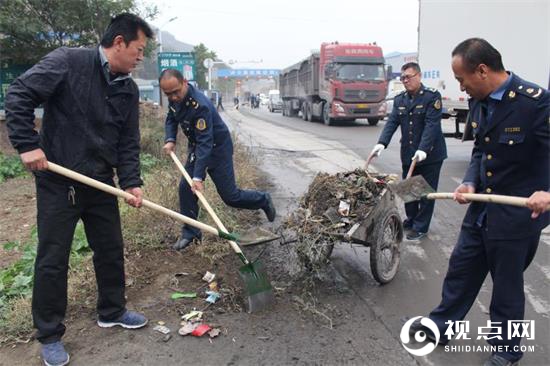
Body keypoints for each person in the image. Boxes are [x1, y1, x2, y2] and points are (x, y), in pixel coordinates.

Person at [5, 13, 153, 366]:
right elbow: (20, 93)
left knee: (110, 249)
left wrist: (131, 182)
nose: (140, 58)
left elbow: (128, 142)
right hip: (59, 181)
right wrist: (27, 144)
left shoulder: (127, 89)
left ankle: (112, 310)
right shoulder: (68, 62)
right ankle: (50, 334)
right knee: (53, 259)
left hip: (100, 181)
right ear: (119, 43)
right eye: (138, 50)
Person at [408, 38, 549, 366]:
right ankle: (441, 325)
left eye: (461, 80)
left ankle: (506, 351)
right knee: (461, 269)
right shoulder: (481, 100)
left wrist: (548, 192)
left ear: (482, 70)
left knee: (506, 287)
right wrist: (470, 180)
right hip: (481, 207)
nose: (461, 86)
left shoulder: (536, 103)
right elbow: (481, 150)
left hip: (516, 214)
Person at [159, 69, 276, 251]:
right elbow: (171, 117)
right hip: (198, 148)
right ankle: (191, 233)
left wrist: (198, 177)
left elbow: (206, 142)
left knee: (230, 197)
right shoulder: (176, 99)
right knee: (185, 189)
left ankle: (262, 199)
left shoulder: (200, 105)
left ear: (184, 82)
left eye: (176, 92)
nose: (173, 97)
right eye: (168, 94)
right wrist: (170, 139)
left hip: (217, 149)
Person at [370, 62, 447, 240]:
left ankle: (421, 226)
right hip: (409, 152)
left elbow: (431, 125)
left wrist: (423, 149)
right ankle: (411, 219)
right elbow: (391, 123)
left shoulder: (431, 97)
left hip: (431, 153)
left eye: (409, 77)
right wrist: (382, 143)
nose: (405, 81)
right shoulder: (400, 99)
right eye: (403, 78)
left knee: (426, 192)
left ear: (419, 76)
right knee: (409, 188)